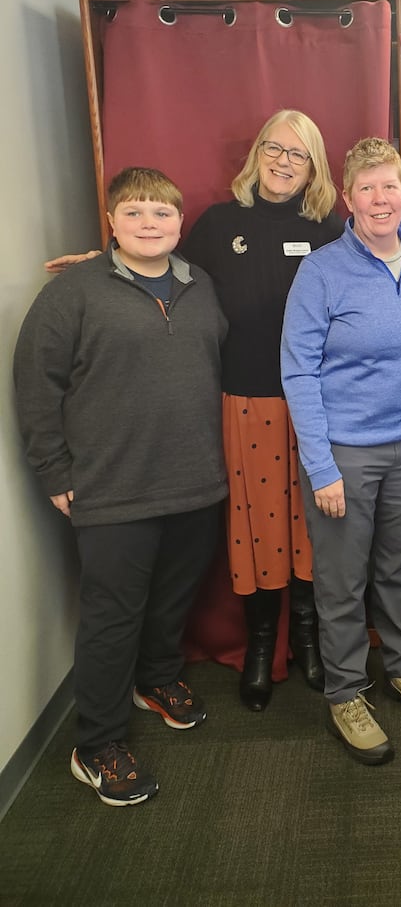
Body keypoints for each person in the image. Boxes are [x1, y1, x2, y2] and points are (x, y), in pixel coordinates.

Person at [46, 110, 344, 713]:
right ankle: (263, 646)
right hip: (244, 405)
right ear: (257, 152)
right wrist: (99, 266)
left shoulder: (329, 229)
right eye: (275, 148)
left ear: (314, 166)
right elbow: (160, 265)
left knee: (314, 529)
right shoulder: (218, 223)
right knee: (258, 534)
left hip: (318, 404)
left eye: (300, 153)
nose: (285, 161)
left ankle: (310, 641)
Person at [14, 167, 228, 807]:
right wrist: (53, 471)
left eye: (161, 214)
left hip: (195, 482)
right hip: (111, 489)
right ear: (111, 222)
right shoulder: (72, 292)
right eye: (134, 213)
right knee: (111, 619)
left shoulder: (200, 285)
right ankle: (96, 744)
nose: (149, 225)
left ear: (180, 222)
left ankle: (157, 679)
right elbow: (35, 386)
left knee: (173, 597)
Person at [280, 137, 401, 766]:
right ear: (347, 198)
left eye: (391, 186)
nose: (381, 199)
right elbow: (298, 371)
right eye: (368, 188)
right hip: (344, 453)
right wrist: (321, 465)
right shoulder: (321, 270)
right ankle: (347, 692)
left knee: (397, 567)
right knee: (342, 582)